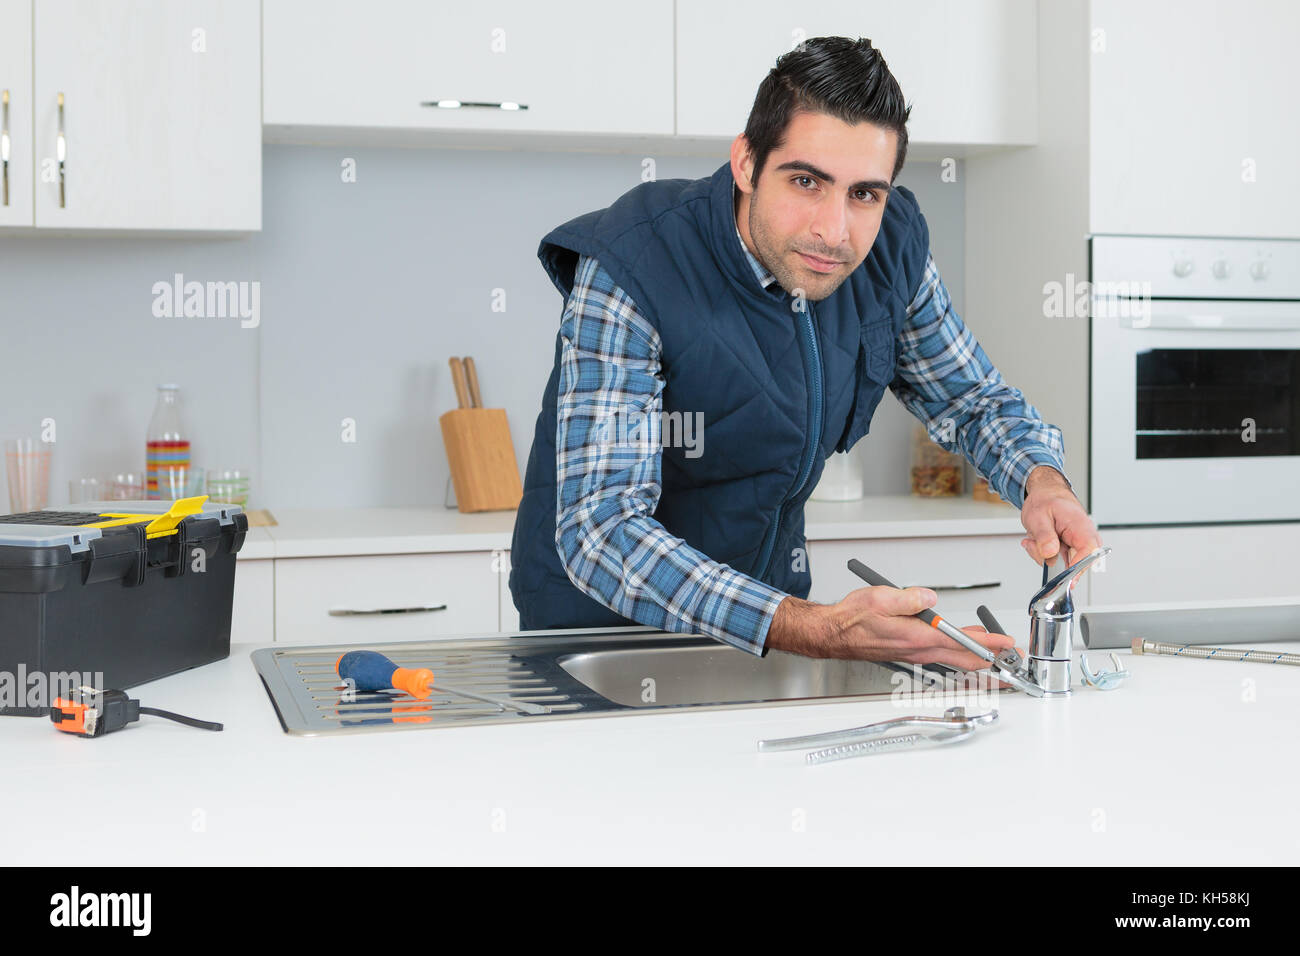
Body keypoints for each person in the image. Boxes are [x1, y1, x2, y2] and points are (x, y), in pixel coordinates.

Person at [509, 36, 1101, 670]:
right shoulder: (632, 265)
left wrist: (1044, 483)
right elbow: (602, 528)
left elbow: (972, 399)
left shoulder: (889, 245)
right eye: (806, 181)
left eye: (864, 194)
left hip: (778, 631)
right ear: (745, 163)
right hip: (602, 644)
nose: (833, 231)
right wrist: (821, 629)